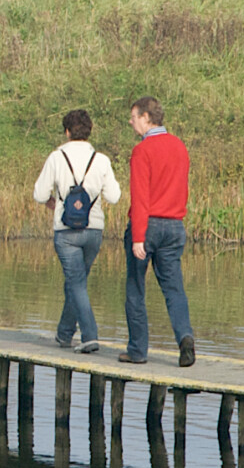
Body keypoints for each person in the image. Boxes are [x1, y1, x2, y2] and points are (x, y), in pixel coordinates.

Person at [31, 110, 120, 354]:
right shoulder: (101, 160)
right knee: (77, 282)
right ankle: (64, 333)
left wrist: (53, 202)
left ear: (67, 132)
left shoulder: (57, 157)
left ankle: (90, 336)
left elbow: (39, 194)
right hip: (94, 230)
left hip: (66, 231)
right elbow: (113, 196)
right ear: (89, 130)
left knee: (76, 283)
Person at [118, 96, 196, 367]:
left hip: (148, 224)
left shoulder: (143, 150)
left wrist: (138, 236)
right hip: (175, 225)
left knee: (135, 288)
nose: (131, 121)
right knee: (174, 288)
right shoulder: (179, 146)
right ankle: (185, 337)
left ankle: (138, 350)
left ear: (147, 118)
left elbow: (140, 197)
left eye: (134, 116)